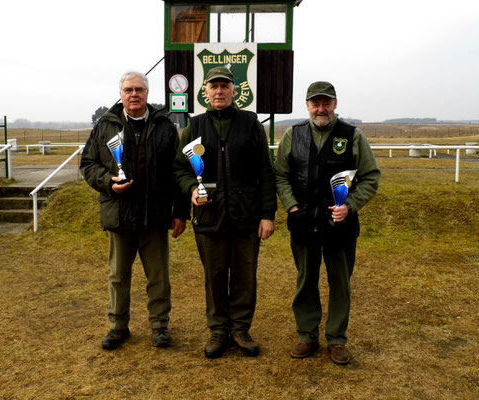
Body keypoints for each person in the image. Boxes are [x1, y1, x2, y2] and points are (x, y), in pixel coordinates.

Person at [80, 71, 189, 350]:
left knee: (158, 276)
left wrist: (180, 212)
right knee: (118, 276)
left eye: (139, 89)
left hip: (155, 216)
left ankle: (159, 326)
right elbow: (88, 164)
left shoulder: (164, 126)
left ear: (147, 93)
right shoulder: (106, 126)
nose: (134, 94)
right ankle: (118, 327)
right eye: (128, 89)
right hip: (118, 213)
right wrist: (108, 183)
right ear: (121, 94)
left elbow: (178, 171)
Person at [273, 81, 380, 364]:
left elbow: (370, 177)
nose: (321, 109)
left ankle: (336, 339)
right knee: (306, 280)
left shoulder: (352, 135)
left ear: (334, 104)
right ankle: (307, 336)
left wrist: (351, 205)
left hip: (340, 225)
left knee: (340, 283)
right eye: (315, 103)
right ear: (307, 105)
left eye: (326, 103)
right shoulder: (293, 135)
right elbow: (280, 175)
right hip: (303, 223)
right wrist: (292, 206)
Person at [174, 66, 277, 359]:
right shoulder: (193, 128)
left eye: (224, 86)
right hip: (208, 218)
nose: (219, 92)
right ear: (204, 92)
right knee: (215, 276)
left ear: (234, 91)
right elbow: (180, 169)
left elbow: (265, 173)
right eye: (213, 86)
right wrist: (190, 190)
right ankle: (218, 330)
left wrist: (267, 214)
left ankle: (241, 330)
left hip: (247, 217)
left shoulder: (250, 123)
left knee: (245, 276)